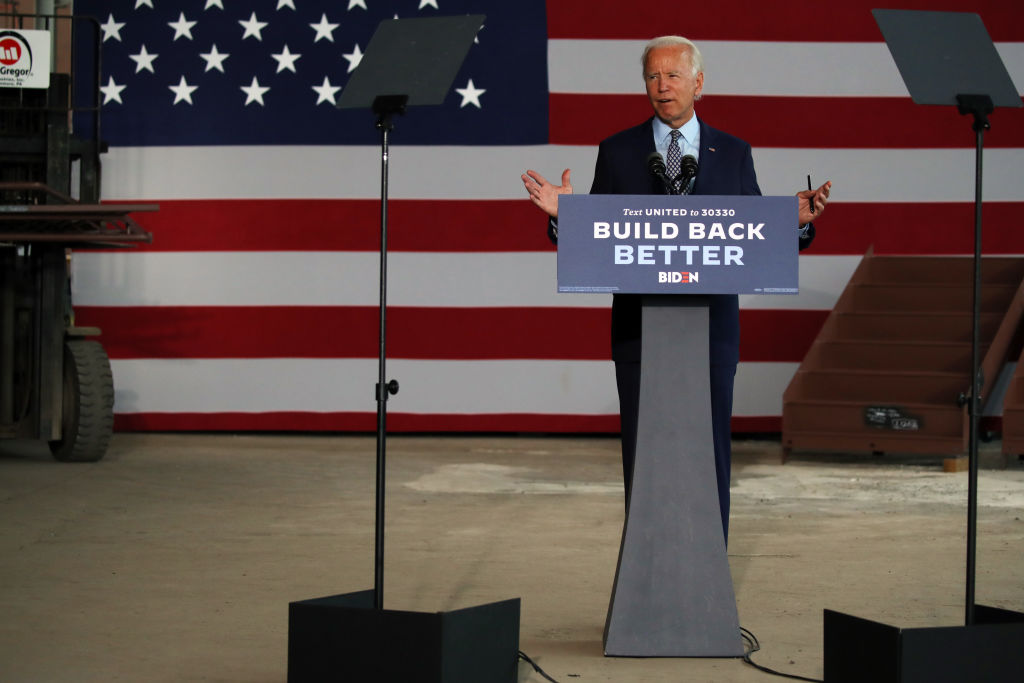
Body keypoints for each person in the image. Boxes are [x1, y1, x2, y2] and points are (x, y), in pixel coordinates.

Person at [521, 35, 831, 542]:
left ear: (698, 83)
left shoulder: (732, 153)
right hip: (640, 334)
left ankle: (711, 581)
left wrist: (792, 222)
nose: (662, 86)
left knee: (708, 455)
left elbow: (755, 234)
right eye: (652, 76)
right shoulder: (618, 151)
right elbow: (598, 241)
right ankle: (646, 577)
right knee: (645, 457)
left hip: (710, 332)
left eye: (673, 76)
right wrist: (568, 217)